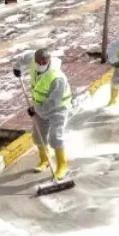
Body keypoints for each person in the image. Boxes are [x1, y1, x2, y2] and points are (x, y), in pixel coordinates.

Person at [20, 47, 72, 180]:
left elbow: (53, 102)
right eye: (39, 62)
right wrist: (17, 67)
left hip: (58, 109)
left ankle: (62, 165)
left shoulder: (57, 77)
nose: (41, 65)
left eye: (44, 62)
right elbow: (24, 58)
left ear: (49, 60)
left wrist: (35, 110)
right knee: (38, 137)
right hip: (40, 106)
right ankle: (44, 160)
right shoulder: (33, 61)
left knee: (55, 137)